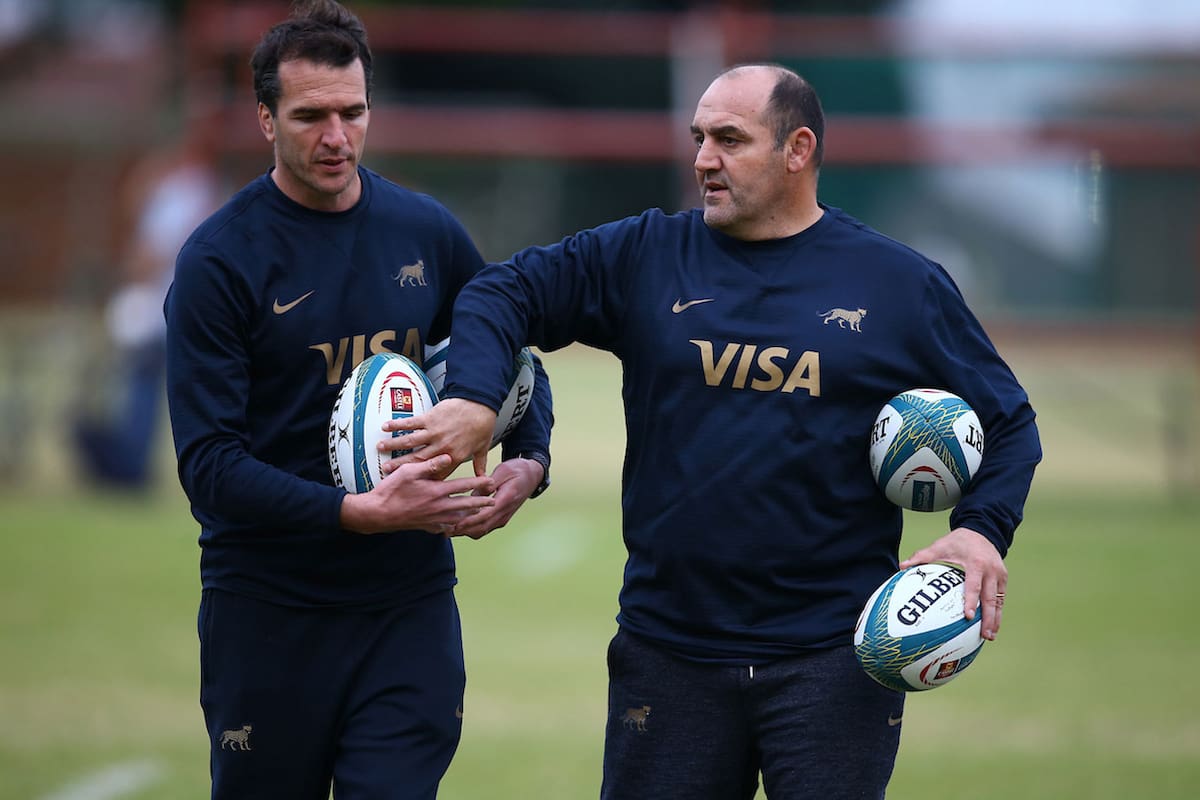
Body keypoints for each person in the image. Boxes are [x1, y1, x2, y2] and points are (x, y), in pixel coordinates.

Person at [388, 64, 1041, 799]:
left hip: (833, 658)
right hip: (669, 653)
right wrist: (477, 399)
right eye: (699, 138)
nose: (703, 158)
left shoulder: (897, 284)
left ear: (797, 149)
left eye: (730, 139)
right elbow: (500, 290)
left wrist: (981, 531)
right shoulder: (646, 254)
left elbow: (1008, 421)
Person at [163, 2, 552, 798]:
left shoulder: (423, 231)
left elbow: (510, 355)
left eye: (353, 112)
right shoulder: (219, 262)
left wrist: (530, 460)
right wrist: (355, 513)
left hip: (408, 603)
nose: (336, 136)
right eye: (310, 117)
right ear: (265, 119)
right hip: (267, 610)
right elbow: (208, 466)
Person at [75, 115, 221, 488]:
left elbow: (152, 252)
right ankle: (133, 462)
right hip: (173, 305)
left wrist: (129, 270)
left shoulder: (185, 191)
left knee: (144, 387)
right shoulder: (189, 189)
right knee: (148, 388)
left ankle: (132, 464)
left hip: (162, 306)